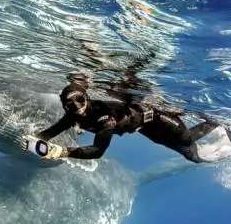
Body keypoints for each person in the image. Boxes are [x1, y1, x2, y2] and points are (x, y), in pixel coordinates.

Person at [22, 54, 219, 164]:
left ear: (87, 98)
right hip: (143, 127)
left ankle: (217, 120)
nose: (77, 107)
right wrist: (33, 140)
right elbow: (49, 132)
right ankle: (206, 140)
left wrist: (64, 152)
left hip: (157, 117)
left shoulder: (105, 119)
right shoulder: (71, 116)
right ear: (65, 105)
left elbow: (98, 151)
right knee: (183, 151)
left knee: (188, 144)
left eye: (80, 100)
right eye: (70, 104)